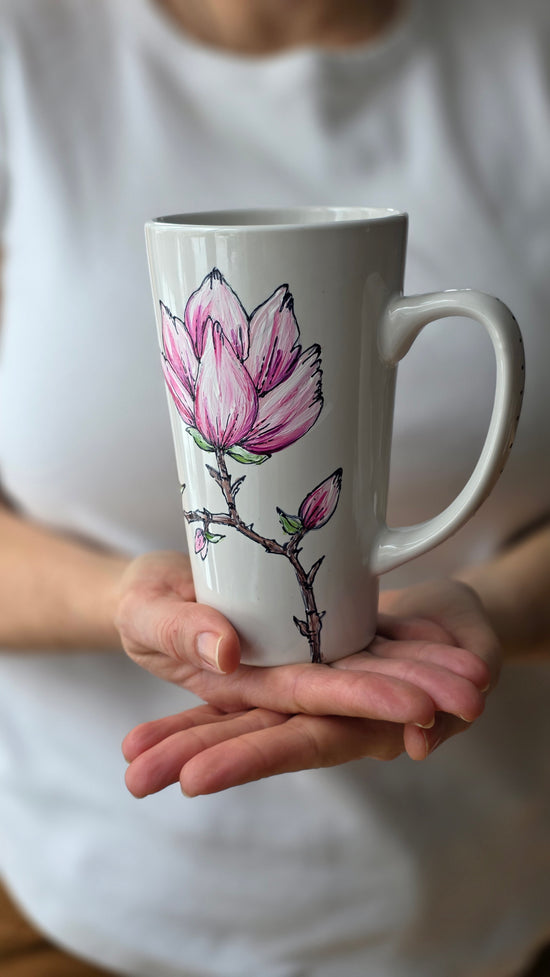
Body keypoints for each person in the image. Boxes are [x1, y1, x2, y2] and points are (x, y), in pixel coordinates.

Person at [0, 0, 549, 975]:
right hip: (89, 898)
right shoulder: (25, 55)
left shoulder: (527, 48)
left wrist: (494, 605)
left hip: (485, 899)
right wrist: (118, 600)